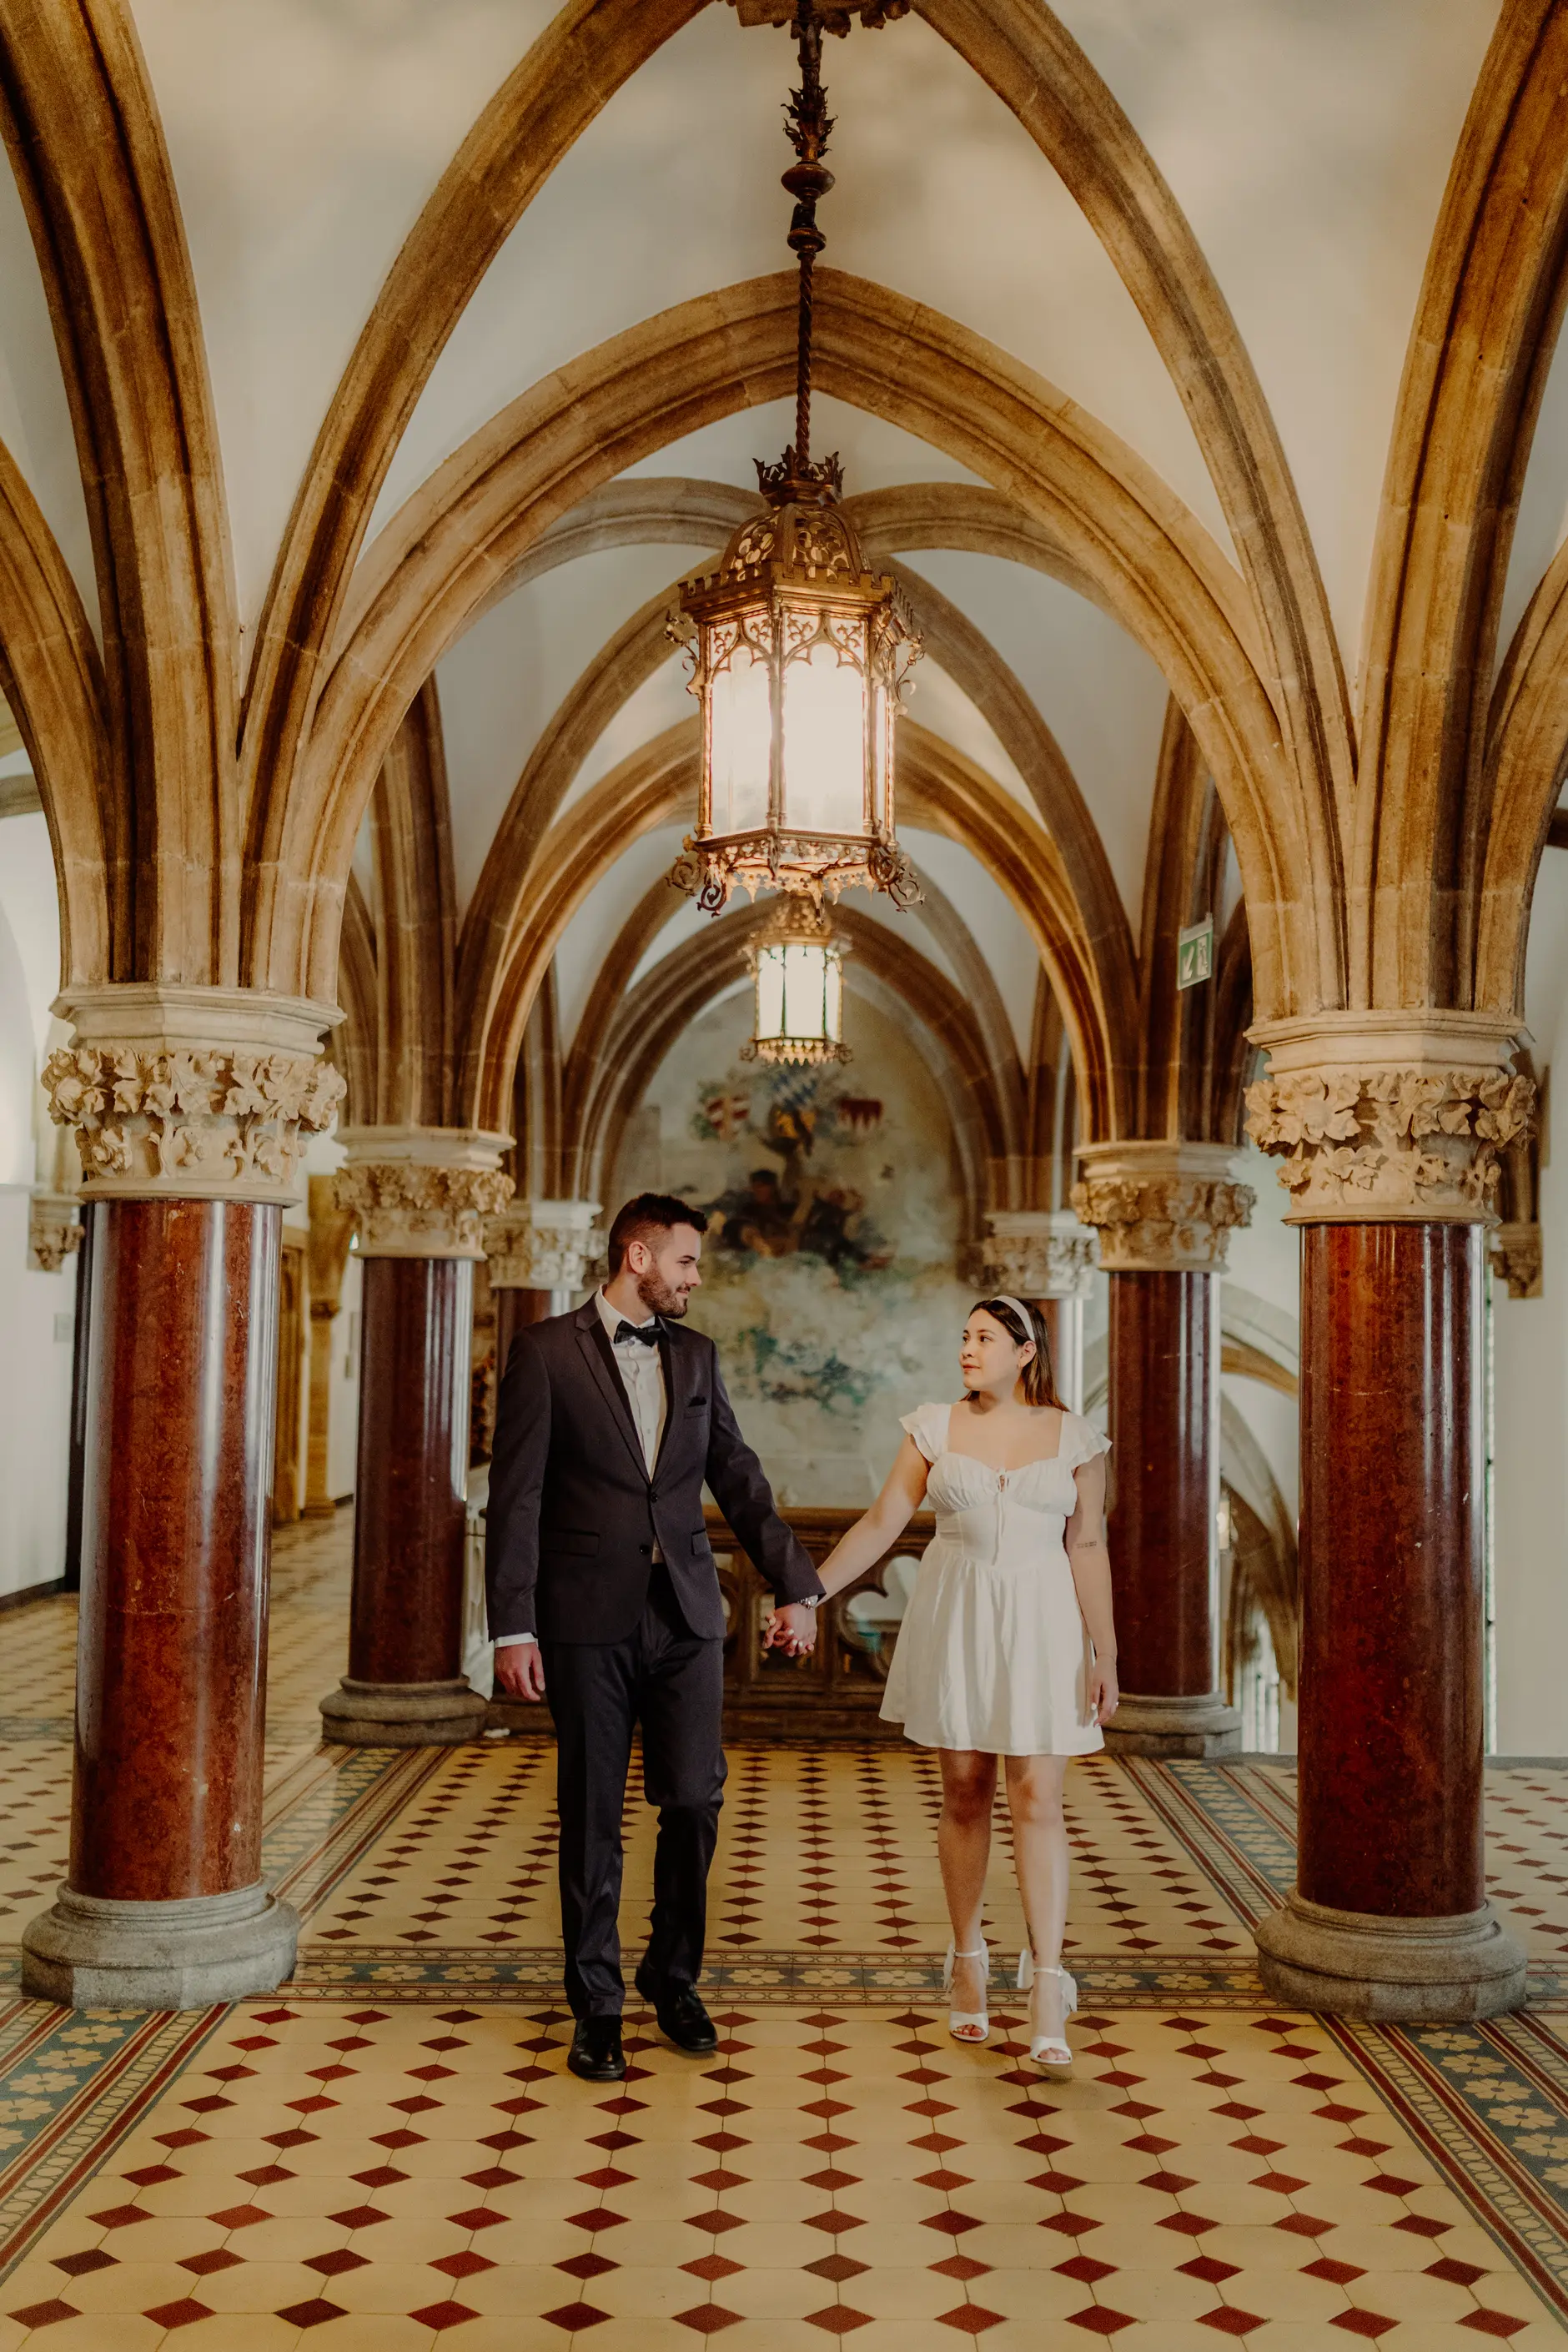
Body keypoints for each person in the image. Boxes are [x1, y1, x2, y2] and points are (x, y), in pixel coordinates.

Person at [486, 1192, 823, 2083]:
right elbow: (515, 1498)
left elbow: (738, 1479)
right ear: (636, 1257)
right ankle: (595, 2006)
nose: (694, 1279)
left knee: (693, 1804)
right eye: (684, 1262)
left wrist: (798, 1586)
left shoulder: (699, 1358)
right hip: (582, 1619)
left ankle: (671, 1979)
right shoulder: (544, 1354)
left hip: (685, 1615)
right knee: (592, 1813)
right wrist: (512, 1625)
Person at [767, 1295, 1118, 2074]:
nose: (968, 1347)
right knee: (964, 1788)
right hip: (959, 1610)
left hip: (1043, 1617)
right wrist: (809, 1595)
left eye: (985, 1338)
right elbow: (882, 1521)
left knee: (1039, 1799)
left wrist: (1107, 1653)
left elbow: (1087, 1545)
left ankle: (1049, 1983)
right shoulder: (933, 1425)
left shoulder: (1075, 1437)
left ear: (1025, 1353)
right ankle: (967, 1957)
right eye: (964, 1336)